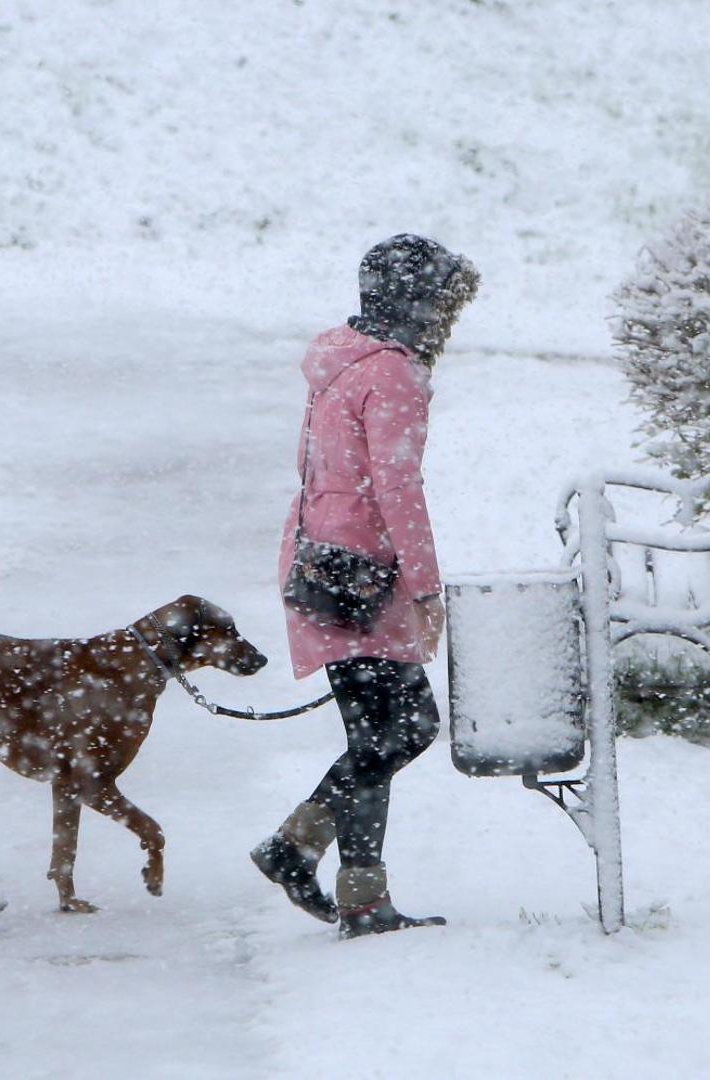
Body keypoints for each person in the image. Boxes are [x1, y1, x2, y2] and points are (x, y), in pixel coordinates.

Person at [251, 234, 480, 938]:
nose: (449, 316)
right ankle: (296, 849)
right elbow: (398, 486)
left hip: (322, 563)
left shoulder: (339, 362)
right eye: (445, 300)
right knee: (404, 730)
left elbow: (315, 466)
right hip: (367, 576)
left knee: (376, 734)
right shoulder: (395, 375)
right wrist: (424, 588)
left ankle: (359, 894)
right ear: (421, 301)